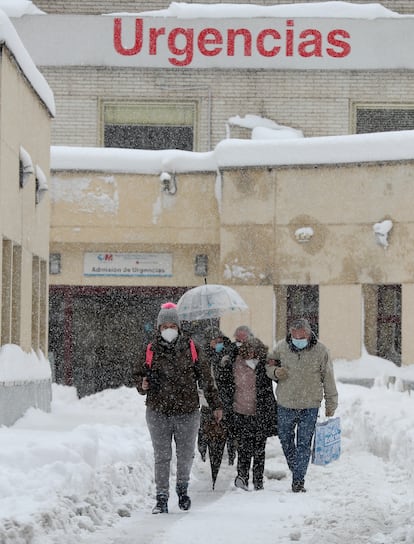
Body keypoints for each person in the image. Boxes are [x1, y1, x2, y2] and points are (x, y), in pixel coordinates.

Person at [134, 302, 223, 514]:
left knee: (185, 454)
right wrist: (142, 384)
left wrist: (216, 404)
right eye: (164, 326)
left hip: (187, 410)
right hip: (158, 411)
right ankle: (161, 497)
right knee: (162, 456)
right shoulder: (149, 350)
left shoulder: (192, 348)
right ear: (158, 328)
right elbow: (137, 374)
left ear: (179, 326)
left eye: (172, 325)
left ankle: (182, 490)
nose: (168, 330)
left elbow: (206, 379)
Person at [266, 318, 338, 493]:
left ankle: (298, 480)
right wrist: (275, 372)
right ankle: (297, 469)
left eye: (300, 336)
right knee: (285, 439)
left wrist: (331, 402)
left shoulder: (321, 351)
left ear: (307, 334)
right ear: (290, 334)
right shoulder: (281, 348)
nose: (297, 340)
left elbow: (328, 377)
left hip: (309, 405)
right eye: (294, 336)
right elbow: (268, 366)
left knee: (304, 444)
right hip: (285, 403)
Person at [227, 336, 278, 491]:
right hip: (241, 413)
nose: (250, 353)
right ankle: (242, 477)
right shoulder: (235, 363)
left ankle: (258, 480)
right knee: (243, 448)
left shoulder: (265, 366)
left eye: (254, 350)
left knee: (259, 450)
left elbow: (279, 375)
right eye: (247, 350)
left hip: (261, 413)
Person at [198, 326, 235, 467]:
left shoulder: (228, 353)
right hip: (209, 398)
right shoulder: (204, 355)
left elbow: (231, 375)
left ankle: (231, 455)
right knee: (204, 427)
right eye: (214, 341)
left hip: (226, 397)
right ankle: (202, 453)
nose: (217, 343)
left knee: (229, 428)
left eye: (220, 340)